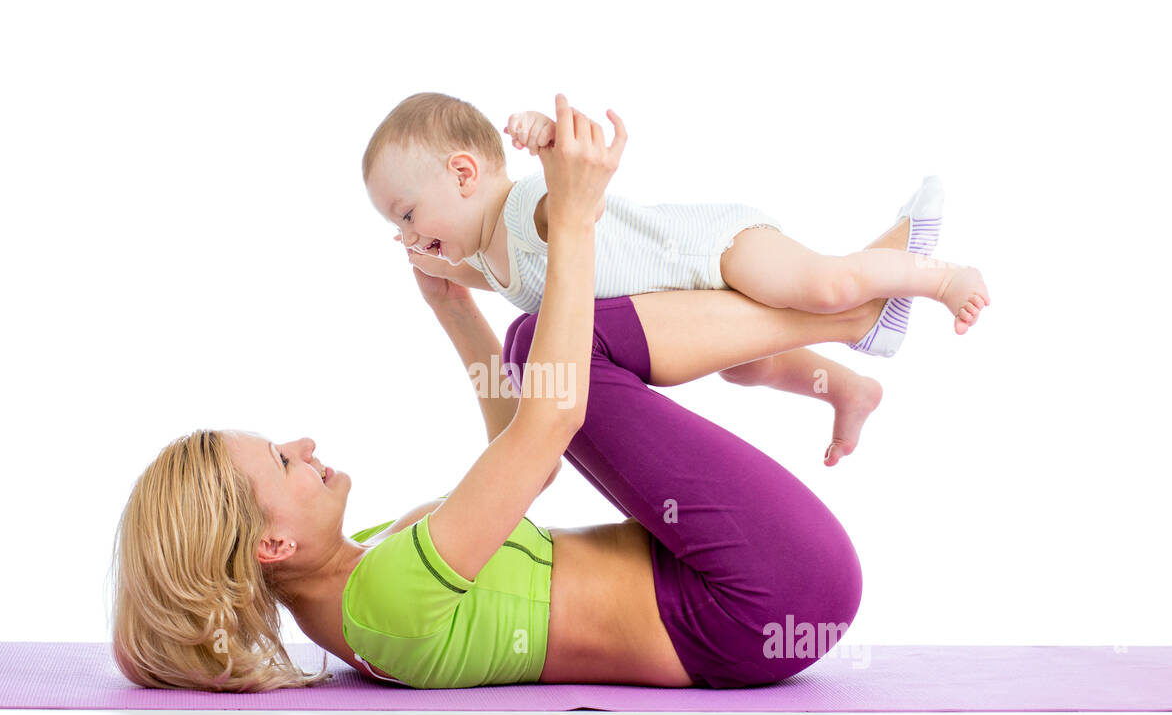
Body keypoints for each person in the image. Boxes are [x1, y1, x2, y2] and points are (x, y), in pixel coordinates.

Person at [111, 96, 900, 693]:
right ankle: (838, 313)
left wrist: (453, 308)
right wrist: (579, 218)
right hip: (762, 599)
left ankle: (836, 313)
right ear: (270, 545)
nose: (306, 446)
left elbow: (523, 467)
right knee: (549, 357)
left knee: (536, 356)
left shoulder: (368, 573)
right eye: (283, 461)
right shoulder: (380, 602)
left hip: (745, 594)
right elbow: (549, 423)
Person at [363, 92, 988, 465]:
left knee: (827, 285)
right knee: (749, 366)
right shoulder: (489, 258)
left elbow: (573, 194)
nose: (409, 233)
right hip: (687, 303)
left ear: (466, 174)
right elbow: (467, 271)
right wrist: (428, 257)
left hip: (711, 250)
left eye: (409, 214)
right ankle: (847, 387)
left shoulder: (528, 207)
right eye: (399, 227)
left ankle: (939, 275)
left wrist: (547, 136)